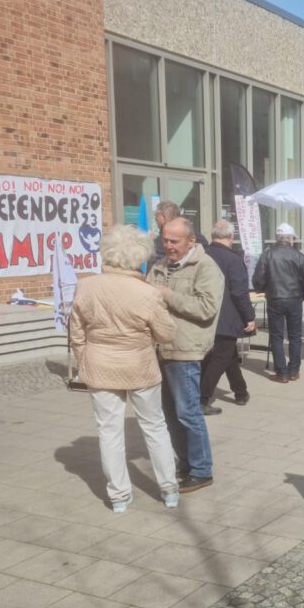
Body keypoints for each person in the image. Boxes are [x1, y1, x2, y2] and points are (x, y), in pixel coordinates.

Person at [69, 226, 180, 512]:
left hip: (101, 363)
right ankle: (168, 488)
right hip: (140, 364)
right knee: (154, 426)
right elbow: (167, 334)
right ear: (139, 256)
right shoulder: (146, 293)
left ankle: (119, 495)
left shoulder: (86, 286)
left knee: (109, 431)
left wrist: (84, 360)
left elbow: (76, 332)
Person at [146, 216, 223, 493]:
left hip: (186, 349)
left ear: (191, 241)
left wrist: (166, 295)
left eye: (174, 241)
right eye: (165, 240)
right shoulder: (159, 266)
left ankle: (202, 469)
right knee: (170, 413)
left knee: (187, 412)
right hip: (160, 349)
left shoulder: (206, 267)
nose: (168, 246)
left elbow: (206, 308)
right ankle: (186, 464)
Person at [200, 219, 255, 414]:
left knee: (228, 355)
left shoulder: (202, 255)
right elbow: (240, 292)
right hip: (226, 316)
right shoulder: (233, 259)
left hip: (205, 314)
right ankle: (202, 398)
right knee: (220, 358)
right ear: (231, 237)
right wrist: (250, 316)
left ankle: (241, 392)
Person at [252, 222, 304, 382]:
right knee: (295, 336)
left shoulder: (268, 254)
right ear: (291, 238)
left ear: (277, 238)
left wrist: (263, 289)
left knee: (276, 336)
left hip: (275, 298)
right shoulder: (298, 255)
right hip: (294, 299)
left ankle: (282, 372)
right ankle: (294, 370)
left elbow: (258, 278)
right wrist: (303, 294)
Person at [153, 200, 207, 267]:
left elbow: (155, 265)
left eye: (156, 218)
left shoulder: (161, 240)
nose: (168, 245)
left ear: (164, 217)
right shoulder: (197, 235)